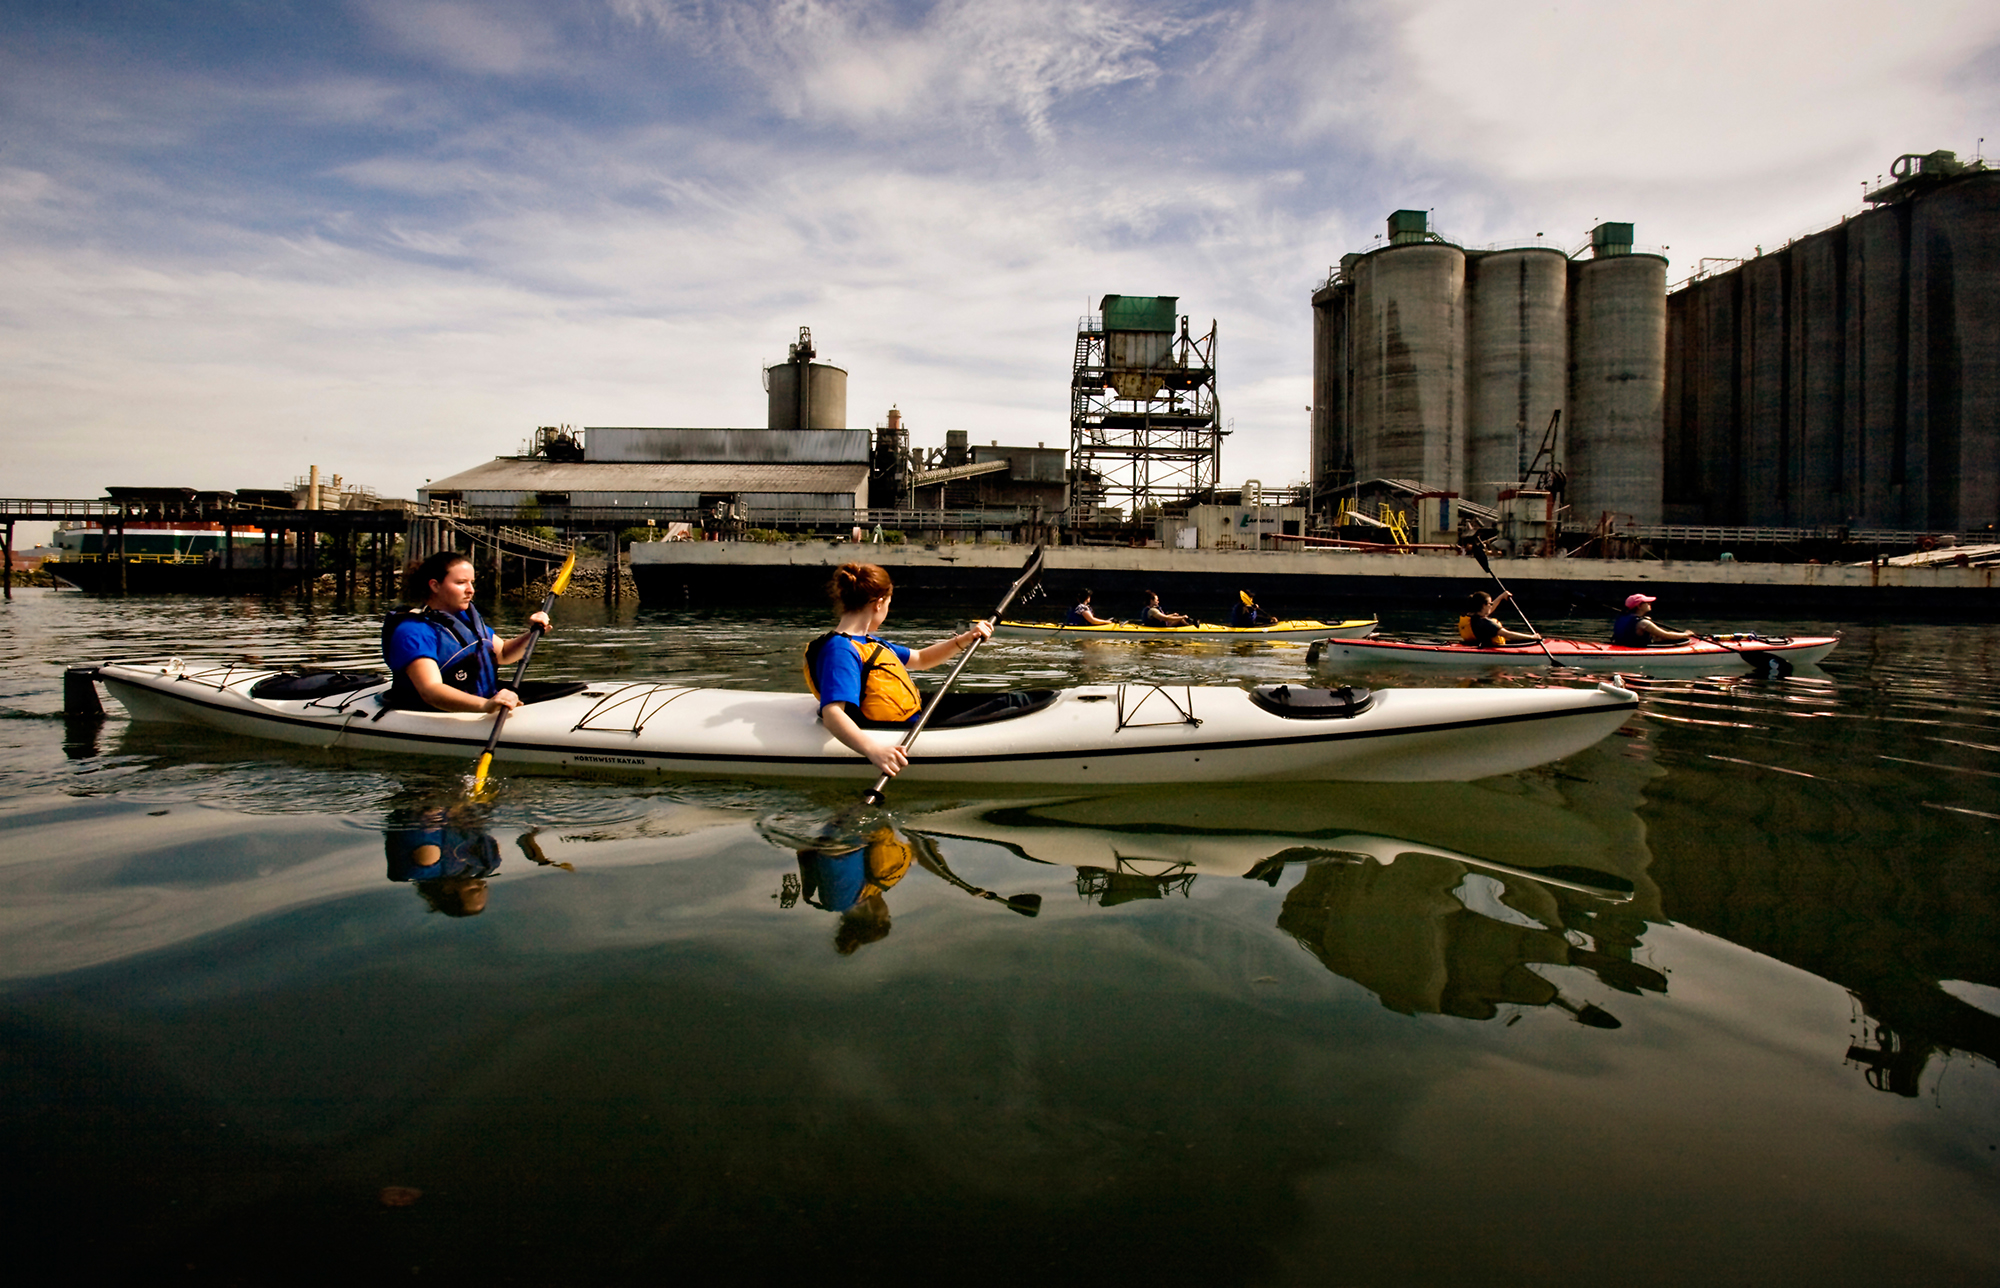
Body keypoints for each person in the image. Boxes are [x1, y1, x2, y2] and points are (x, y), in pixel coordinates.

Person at [802, 562, 997, 780]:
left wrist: (966, 639)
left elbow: (921, 659)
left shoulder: (868, 642)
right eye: (888, 604)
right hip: (891, 730)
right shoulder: (841, 650)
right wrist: (873, 750)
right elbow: (833, 714)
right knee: (1006, 708)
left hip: (913, 719)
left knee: (1003, 703)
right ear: (878, 603)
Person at [381, 551, 552, 712]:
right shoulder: (414, 632)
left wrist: (533, 634)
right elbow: (431, 691)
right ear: (435, 586)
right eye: (461, 583)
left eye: (472, 582)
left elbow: (504, 654)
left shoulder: (464, 620)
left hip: (479, 707)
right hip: (432, 714)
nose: (471, 589)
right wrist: (485, 705)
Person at [1459, 591, 1542, 646]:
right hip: (1490, 650)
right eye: (1490, 604)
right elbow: (1508, 635)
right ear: (1483, 605)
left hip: (1476, 645)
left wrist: (1502, 596)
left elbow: (1489, 610)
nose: (1491, 605)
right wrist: (1532, 637)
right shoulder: (1486, 623)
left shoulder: (1471, 617)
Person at [1612, 593, 1694, 647]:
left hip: (1619, 645)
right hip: (1633, 649)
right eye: (1646, 602)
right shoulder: (1644, 623)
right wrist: (1685, 634)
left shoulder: (1622, 617)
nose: (1649, 604)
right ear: (1639, 606)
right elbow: (1666, 635)